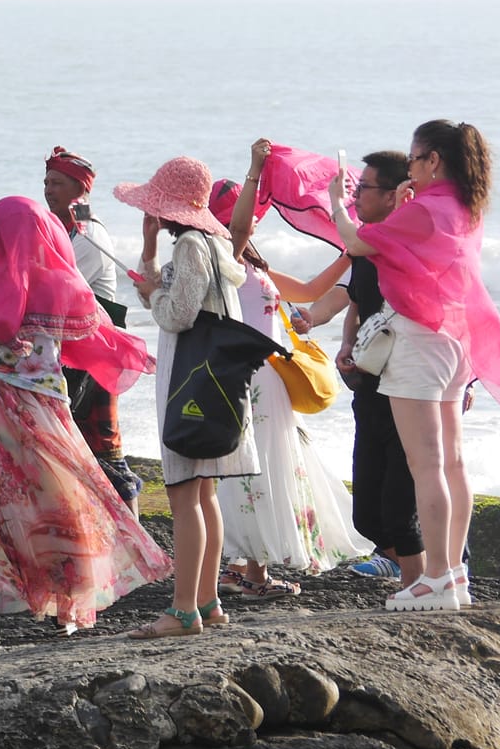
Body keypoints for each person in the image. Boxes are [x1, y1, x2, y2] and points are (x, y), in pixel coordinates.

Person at [329, 120, 500, 611]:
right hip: (457, 342)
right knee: (453, 463)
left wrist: (337, 199)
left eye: (416, 159)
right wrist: (408, 202)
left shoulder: (424, 209)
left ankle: (434, 578)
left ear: (434, 160)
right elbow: (413, 251)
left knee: (426, 466)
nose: (412, 167)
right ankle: (454, 575)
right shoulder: (465, 208)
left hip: (419, 344)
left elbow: (359, 241)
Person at [0, 199, 169, 642]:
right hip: (48, 406)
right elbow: (90, 333)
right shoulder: (63, 284)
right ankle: (65, 608)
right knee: (63, 503)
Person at [213, 140, 368, 594]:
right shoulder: (225, 261)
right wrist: (255, 171)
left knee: (264, 463)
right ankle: (249, 570)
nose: (250, 219)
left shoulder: (252, 265)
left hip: (269, 375)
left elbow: (309, 290)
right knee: (256, 466)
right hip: (251, 377)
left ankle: (246, 567)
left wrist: (350, 251)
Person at [116, 156, 258, 639]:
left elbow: (175, 313)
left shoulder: (194, 246)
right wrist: (150, 249)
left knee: (183, 496)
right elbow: (159, 294)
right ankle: (207, 600)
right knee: (204, 494)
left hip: (187, 381)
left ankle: (182, 611)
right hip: (210, 381)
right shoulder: (215, 245)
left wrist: (156, 294)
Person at [302, 151, 425, 586]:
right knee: (367, 504)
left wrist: (335, 201)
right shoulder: (366, 243)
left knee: (400, 488)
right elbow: (353, 298)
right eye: (355, 188)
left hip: (407, 379)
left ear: (394, 196)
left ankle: (416, 569)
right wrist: (345, 342)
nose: (356, 195)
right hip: (368, 378)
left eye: (364, 188)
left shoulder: (401, 238)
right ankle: (398, 556)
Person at [40, 148, 139, 506]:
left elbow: (55, 290)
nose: (48, 190)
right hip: (72, 351)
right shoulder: (61, 228)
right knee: (76, 450)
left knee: (107, 452)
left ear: (79, 190)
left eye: (57, 183)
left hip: (97, 354)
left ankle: (136, 540)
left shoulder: (89, 235)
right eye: (46, 182)